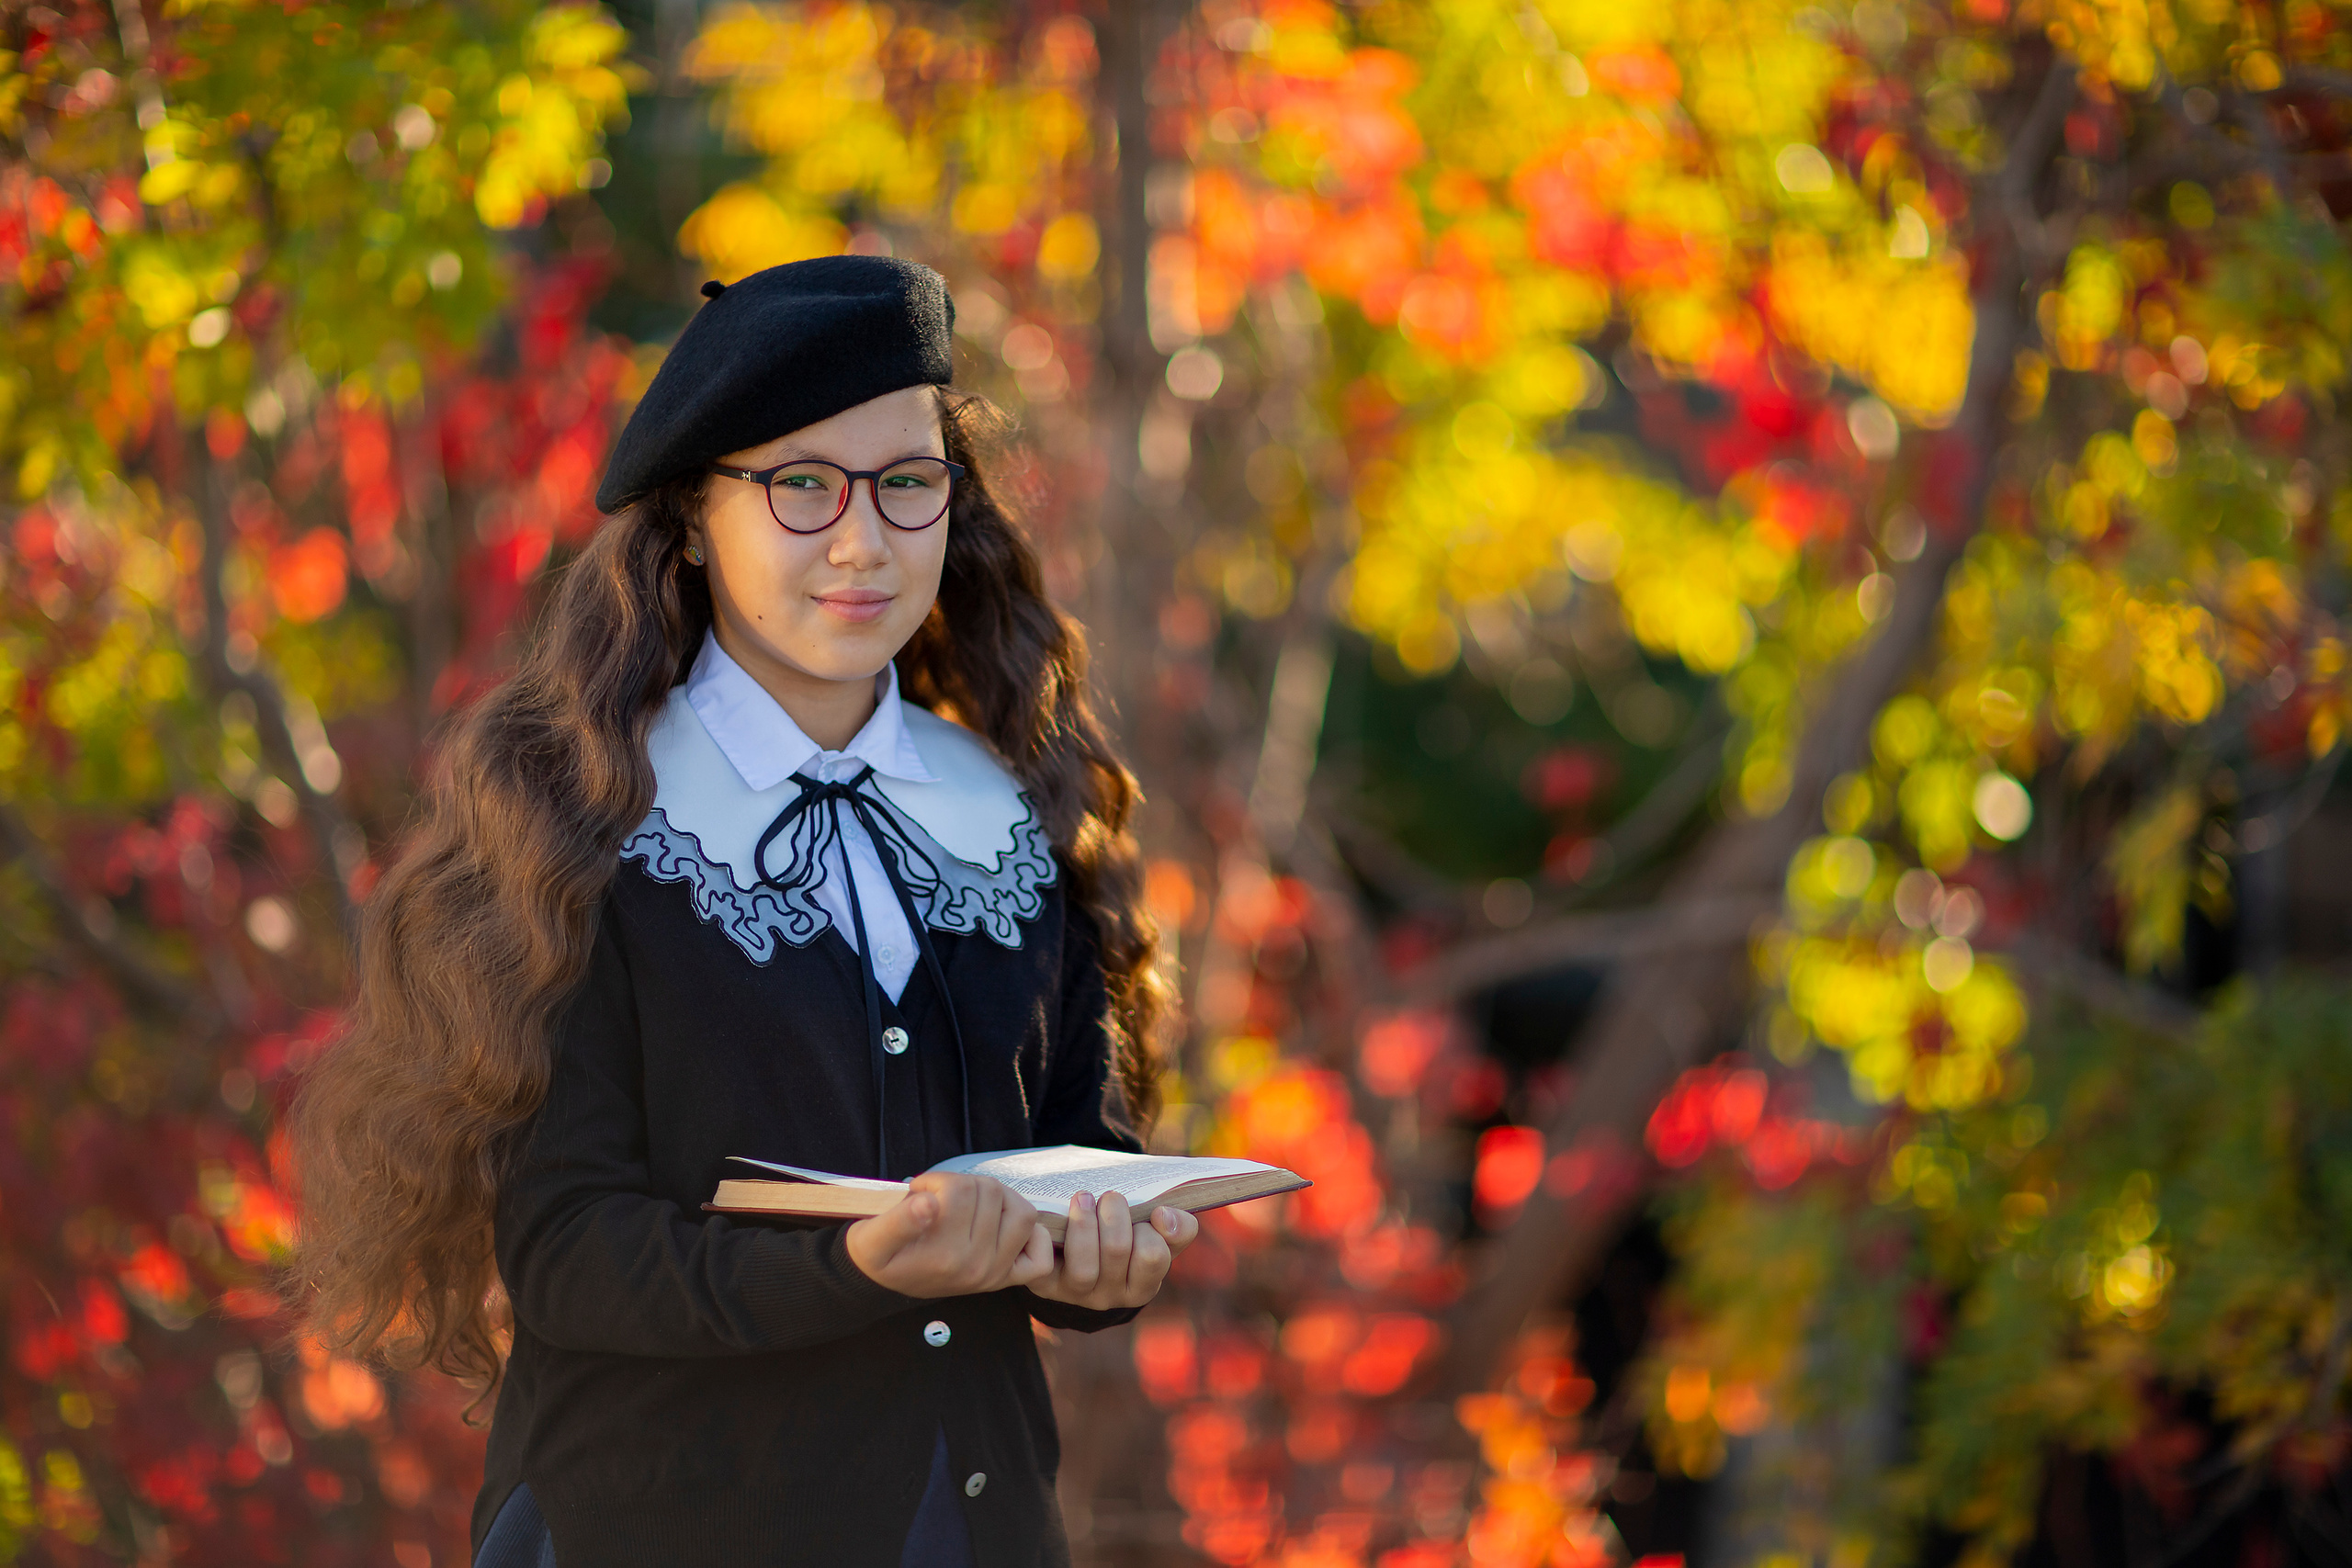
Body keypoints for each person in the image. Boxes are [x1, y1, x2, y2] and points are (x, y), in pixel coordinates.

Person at [290, 255, 1192, 1568]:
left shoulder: (1005, 807)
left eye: (905, 483)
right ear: (696, 520)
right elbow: (569, 1254)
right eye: (801, 486)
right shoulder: (586, 822)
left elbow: (1073, 1150)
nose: (863, 539)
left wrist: (1107, 1266)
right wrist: (863, 1271)